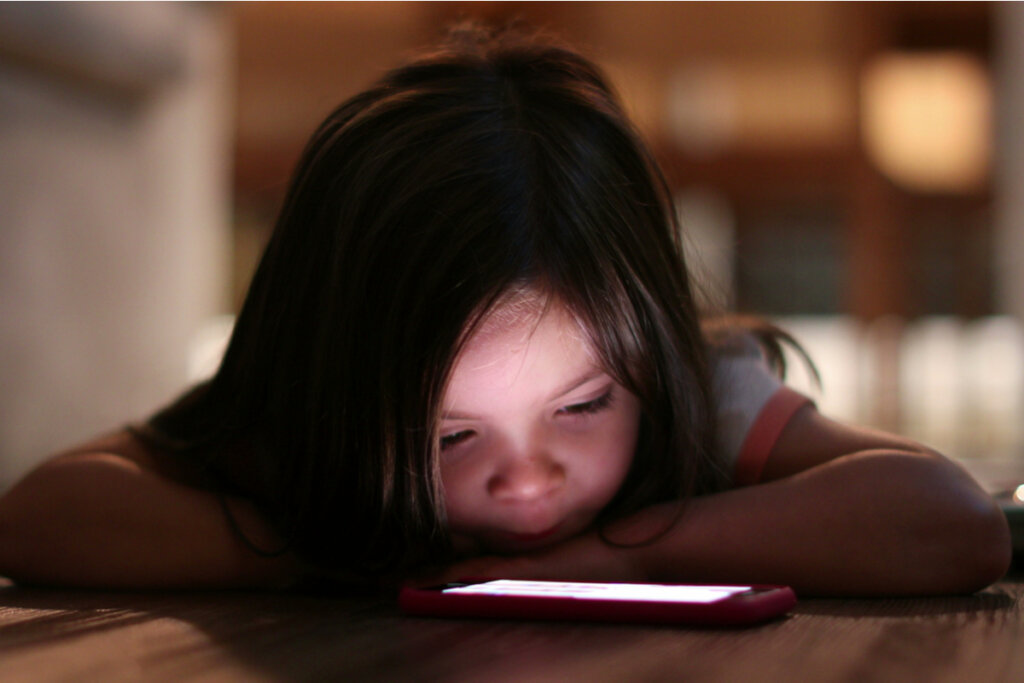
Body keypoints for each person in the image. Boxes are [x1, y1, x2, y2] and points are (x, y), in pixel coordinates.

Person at [0, 24, 1011, 596]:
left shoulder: (688, 392)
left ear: (647, 349)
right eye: (448, 434)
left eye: (579, 407)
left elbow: (953, 522)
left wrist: (641, 543)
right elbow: (44, 512)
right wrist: (344, 550)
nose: (526, 483)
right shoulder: (336, 412)